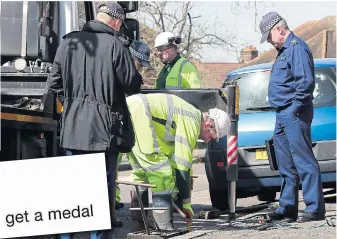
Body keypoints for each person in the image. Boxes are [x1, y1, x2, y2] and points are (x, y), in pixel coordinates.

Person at [45, 2, 143, 239]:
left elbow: (53, 84)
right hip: (104, 133)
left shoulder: (69, 43)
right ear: (117, 21)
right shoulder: (116, 46)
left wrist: (72, 106)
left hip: (72, 130)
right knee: (100, 193)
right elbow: (132, 84)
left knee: (71, 193)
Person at [125, 93, 231, 232]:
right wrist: (186, 203)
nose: (207, 141)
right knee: (162, 173)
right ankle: (163, 228)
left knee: (141, 173)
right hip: (139, 114)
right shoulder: (192, 123)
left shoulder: (188, 114)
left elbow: (174, 159)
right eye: (211, 137)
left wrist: (179, 197)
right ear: (209, 125)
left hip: (130, 108)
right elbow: (183, 166)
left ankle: (139, 225)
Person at [259, 11, 325, 222]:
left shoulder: (297, 47)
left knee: (303, 160)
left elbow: (305, 82)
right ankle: (287, 208)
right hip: (283, 112)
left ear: (279, 29)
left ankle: (314, 208)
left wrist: (295, 108)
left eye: (269, 36)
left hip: (293, 111)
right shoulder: (284, 50)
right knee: (286, 163)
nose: (269, 41)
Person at [115, 40, 152, 210]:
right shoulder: (122, 71)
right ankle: (110, 203)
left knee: (114, 164)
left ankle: (112, 202)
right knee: (111, 164)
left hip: (123, 124)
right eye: (139, 64)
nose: (140, 68)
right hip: (116, 124)